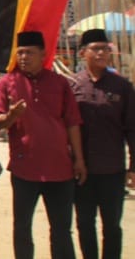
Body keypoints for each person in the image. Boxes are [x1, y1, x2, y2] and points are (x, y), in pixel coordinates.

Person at [0, 30, 86, 259]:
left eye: (29, 52)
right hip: (25, 169)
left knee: (62, 230)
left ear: (43, 54)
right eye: (20, 52)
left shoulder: (60, 83)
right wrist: (12, 116)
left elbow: (73, 123)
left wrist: (79, 160)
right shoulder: (8, 82)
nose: (23, 57)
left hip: (60, 169)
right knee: (22, 228)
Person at [71, 29, 135, 259]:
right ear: (82, 53)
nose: (101, 53)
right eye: (95, 48)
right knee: (85, 224)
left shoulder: (122, 87)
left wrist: (133, 167)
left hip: (112, 169)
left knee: (112, 226)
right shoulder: (73, 86)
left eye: (105, 48)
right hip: (82, 171)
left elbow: (132, 129)